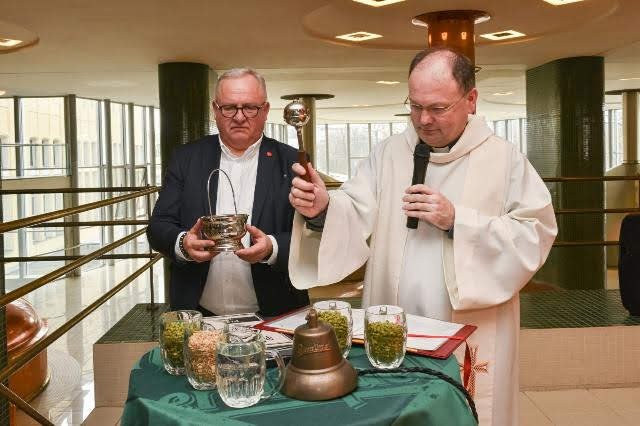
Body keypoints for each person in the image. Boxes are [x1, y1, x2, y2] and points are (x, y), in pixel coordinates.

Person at [287, 48, 557, 425]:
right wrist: (323, 209)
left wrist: (458, 220)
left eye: (438, 108)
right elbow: (355, 209)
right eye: (414, 106)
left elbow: (536, 232)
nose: (423, 120)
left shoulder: (503, 159)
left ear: (471, 100)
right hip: (392, 316)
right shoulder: (389, 153)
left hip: (468, 323)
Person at [147, 68, 309, 317]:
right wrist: (183, 243)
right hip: (199, 316)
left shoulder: (291, 161)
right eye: (229, 108)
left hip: (275, 313)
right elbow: (158, 227)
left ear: (264, 111)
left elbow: (311, 234)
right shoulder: (186, 158)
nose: (240, 117)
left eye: (250, 107)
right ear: (215, 110)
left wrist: (271, 247)